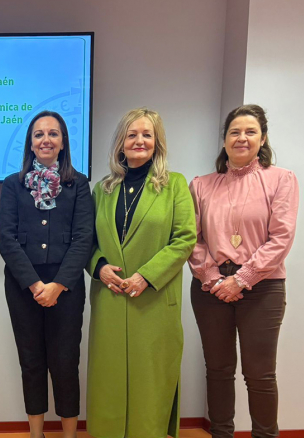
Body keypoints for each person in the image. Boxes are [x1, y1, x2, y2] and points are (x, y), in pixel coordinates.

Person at [189, 104, 298, 438]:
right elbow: (192, 240)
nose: (242, 138)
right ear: (224, 141)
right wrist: (212, 278)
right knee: (219, 371)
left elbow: (281, 237)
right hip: (210, 289)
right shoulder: (201, 185)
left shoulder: (281, 180)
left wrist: (242, 278)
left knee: (260, 374)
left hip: (262, 288)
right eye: (234, 132)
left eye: (250, 131)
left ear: (262, 138)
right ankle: (221, 433)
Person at [86, 108, 196, 438]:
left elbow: (185, 238)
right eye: (132, 135)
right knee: (109, 378)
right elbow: (87, 241)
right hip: (111, 299)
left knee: (151, 380)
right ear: (121, 142)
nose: (139, 141)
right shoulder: (101, 190)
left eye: (147, 135)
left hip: (153, 301)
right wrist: (99, 267)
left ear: (156, 142)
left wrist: (146, 275)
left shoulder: (174, 185)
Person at [0, 111, 93, 438]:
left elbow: (83, 239)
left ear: (63, 141)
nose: (46, 140)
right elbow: (5, 238)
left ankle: (69, 435)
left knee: (66, 363)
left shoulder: (78, 184)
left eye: (53, 134)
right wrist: (36, 285)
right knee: (32, 362)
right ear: (31, 143)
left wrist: (58, 285)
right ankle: (36, 434)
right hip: (23, 287)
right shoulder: (13, 184)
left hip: (67, 288)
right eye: (39, 134)